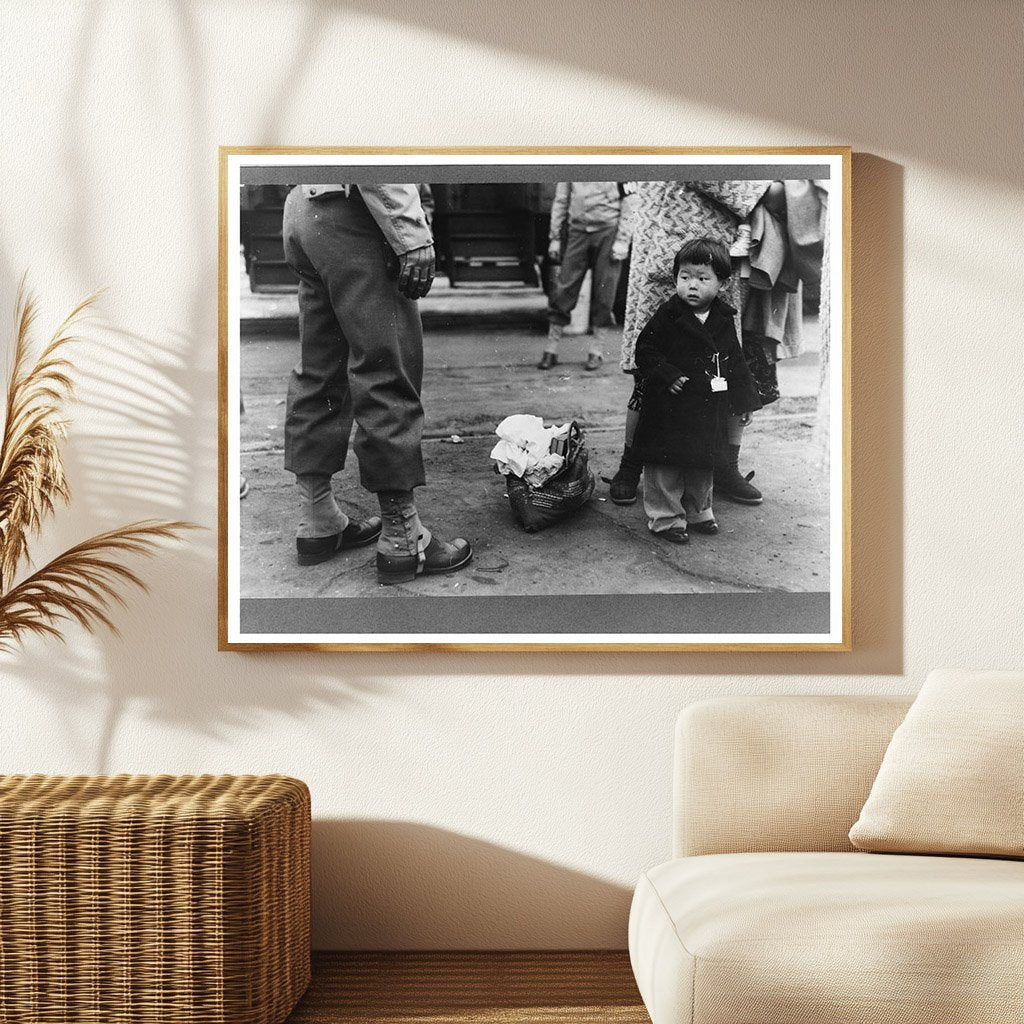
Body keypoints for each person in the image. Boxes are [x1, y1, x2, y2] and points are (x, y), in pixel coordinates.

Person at [282, 183, 472, 585]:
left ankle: (318, 521)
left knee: (320, 369)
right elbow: (376, 149)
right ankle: (404, 540)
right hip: (357, 212)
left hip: (305, 208)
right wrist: (411, 234)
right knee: (385, 369)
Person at [608, 179, 775, 506]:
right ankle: (631, 465)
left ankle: (725, 466)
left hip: (716, 253)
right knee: (650, 373)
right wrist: (767, 186)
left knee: (721, 369)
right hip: (666, 240)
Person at [632, 238, 762, 543]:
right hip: (670, 407)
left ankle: (699, 510)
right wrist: (667, 374)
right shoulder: (668, 315)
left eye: (703, 279)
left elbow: (735, 361)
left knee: (704, 462)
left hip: (707, 407)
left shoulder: (723, 318)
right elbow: (645, 350)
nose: (692, 286)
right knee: (666, 464)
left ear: (722, 283)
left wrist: (743, 402)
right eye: (685, 277)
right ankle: (666, 518)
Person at [537, 181, 633, 372]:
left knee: (605, 292)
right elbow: (561, 200)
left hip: (609, 232)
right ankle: (551, 349)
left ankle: (596, 351)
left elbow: (630, 201)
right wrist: (555, 237)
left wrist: (623, 240)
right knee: (564, 289)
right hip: (577, 232)